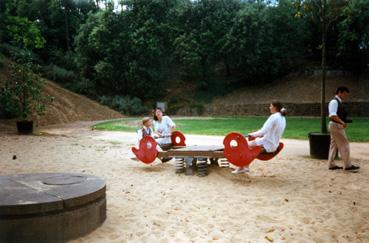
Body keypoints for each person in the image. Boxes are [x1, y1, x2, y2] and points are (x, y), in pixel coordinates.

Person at [232, 101, 287, 174]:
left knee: (245, 148)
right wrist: (255, 134)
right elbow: (271, 131)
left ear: (275, 107)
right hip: (271, 143)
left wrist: (250, 134)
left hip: (268, 144)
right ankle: (244, 167)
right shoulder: (282, 117)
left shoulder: (274, 117)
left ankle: (242, 168)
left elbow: (262, 131)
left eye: (270, 106)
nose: (269, 107)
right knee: (247, 145)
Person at [327, 86, 359, 171]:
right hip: (336, 125)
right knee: (344, 144)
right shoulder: (334, 102)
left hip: (334, 125)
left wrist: (343, 121)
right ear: (340, 92)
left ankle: (331, 164)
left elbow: (335, 115)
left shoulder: (336, 102)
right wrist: (342, 122)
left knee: (333, 145)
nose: (346, 96)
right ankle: (347, 165)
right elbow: (332, 115)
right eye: (345, 94)